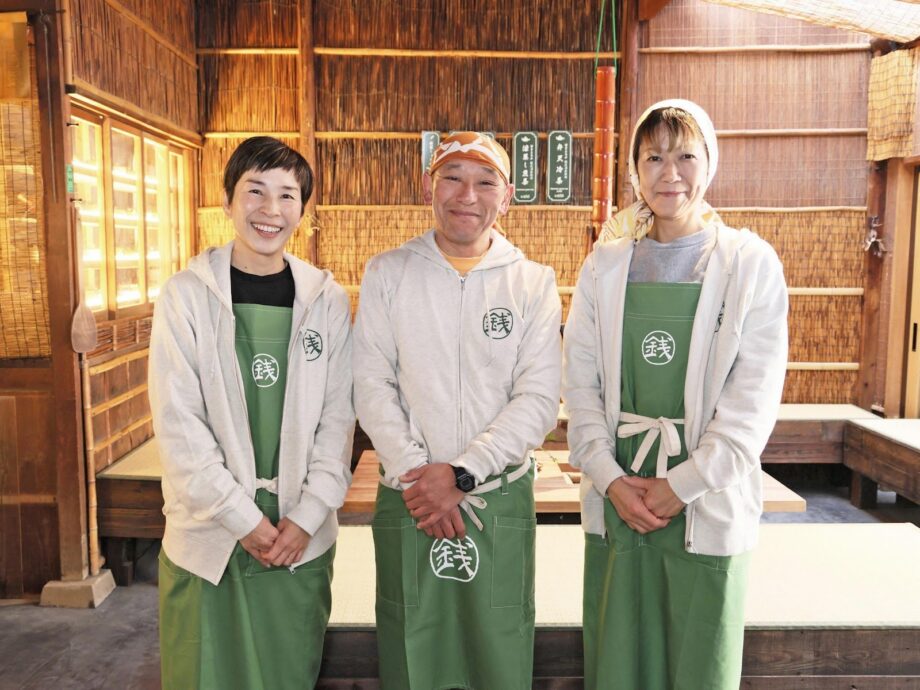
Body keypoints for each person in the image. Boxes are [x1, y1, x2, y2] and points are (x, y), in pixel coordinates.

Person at [562, 99, 788, 690]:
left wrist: (680, 486)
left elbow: (752, 402)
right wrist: (611, 480)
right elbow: (580, 384)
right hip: (621, 498)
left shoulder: (749, 265)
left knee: (699, 668)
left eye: (686, 156)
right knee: (619, 665)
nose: (671, 174)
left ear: (709, 164)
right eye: (654, 158)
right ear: (634, 170)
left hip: (705, 502)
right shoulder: (605, 266)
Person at [353, 131, 562, 689]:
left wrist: (463, 473)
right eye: (452, 178)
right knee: (412, 646)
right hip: (412, 497)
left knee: (497, 650)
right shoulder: (389, 273)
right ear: (429, 188)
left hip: (497, 494)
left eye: (485, 182)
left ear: (507, 197)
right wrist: (421, 476)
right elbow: (371, 383)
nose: (467, 195)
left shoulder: (532, 283)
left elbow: (539, 398)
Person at [148, 136, 354, 689]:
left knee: (288, 673)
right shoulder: (187, 296)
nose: (270, 209)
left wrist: (307, 517)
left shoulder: (326, 301)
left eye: (287, 195)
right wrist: (243, 519)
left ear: (302, 210)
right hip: (209, 533)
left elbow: (338, 423)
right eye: (255, 191)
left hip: (297, 535)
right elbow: (179, 424)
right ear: (227, 200)